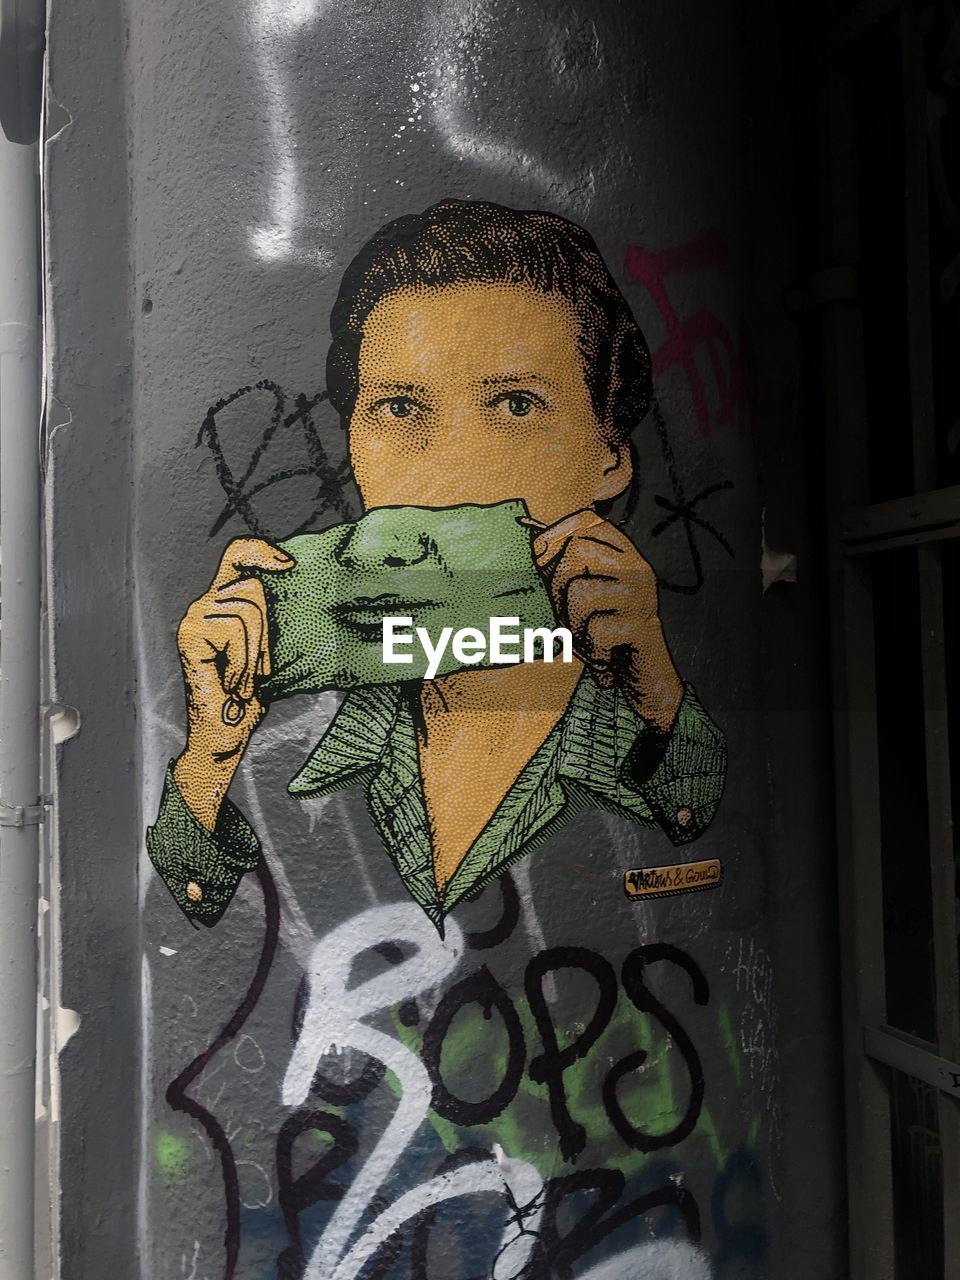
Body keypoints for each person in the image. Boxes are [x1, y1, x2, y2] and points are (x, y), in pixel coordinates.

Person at [146, 199, 727, 932]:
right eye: (398, 410)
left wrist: (661, 705)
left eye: (517, 406)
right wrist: (210, 753)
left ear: (609, 457)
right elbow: (169, 957)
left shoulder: (651, 730)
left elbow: (723, 864)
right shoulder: (281, 744)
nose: (451, 471)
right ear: (354, 446)